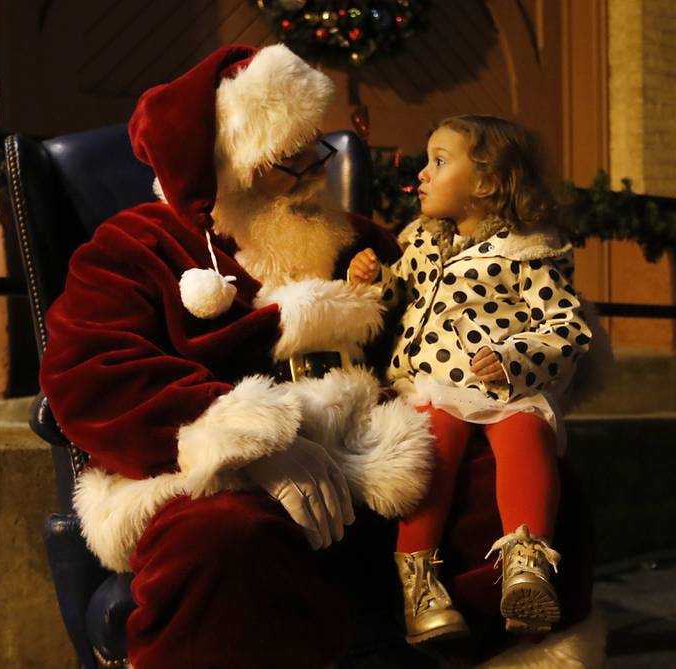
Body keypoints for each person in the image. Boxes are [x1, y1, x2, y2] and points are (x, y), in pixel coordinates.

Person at [39, 44, 436, 669]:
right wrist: (248, 440)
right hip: (206, 478)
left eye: (316, 149)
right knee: (221, 540)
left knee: (496, 481)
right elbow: (89, 370)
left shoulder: (358, 238)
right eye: (287, 160)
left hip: (371, 451)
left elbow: (445, 319)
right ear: (222, 168)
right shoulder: (134, 246)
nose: (313, 171)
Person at [348, 114, 600, 645]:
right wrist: (371, 281)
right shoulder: (420, 241)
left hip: (505, 388)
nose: (421, 174)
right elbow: (394, 302)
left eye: (439, 162)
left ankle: (527, 567)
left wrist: (515, 357)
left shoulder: (526, 251)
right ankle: (419, 585)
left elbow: (568, 326)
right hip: (432, 381)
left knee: (527, 435)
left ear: (486, 182)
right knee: (431, 446)